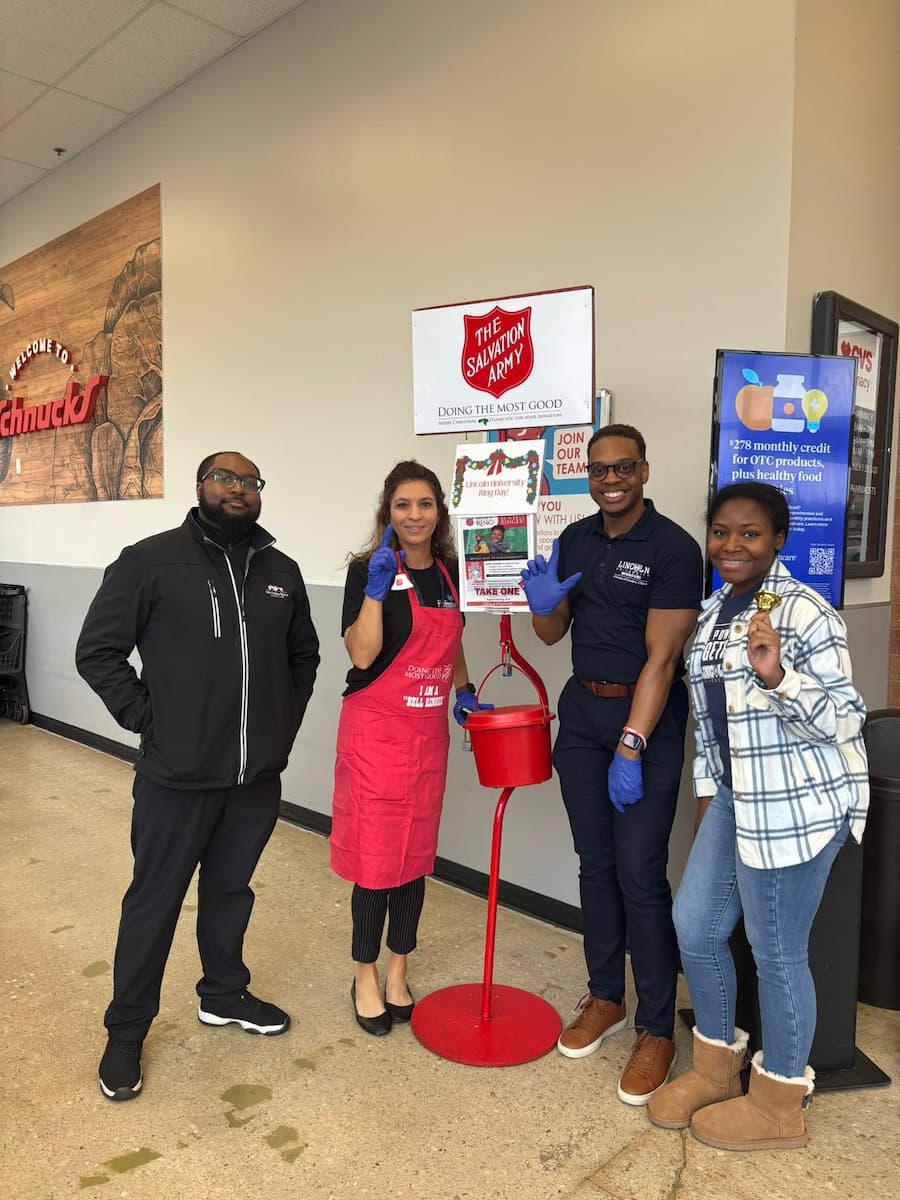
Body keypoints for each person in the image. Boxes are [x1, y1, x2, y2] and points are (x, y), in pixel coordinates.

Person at [75, 451, 319, 1101]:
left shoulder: (281, 571)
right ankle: (126, 1031)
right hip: (174, 779)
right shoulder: (150, 560)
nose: (238, 489)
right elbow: (96, 651)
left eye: (249, 481)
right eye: (225, 479)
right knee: (153, 903)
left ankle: (224, 993)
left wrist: (278, 731)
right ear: (200, 487)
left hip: (253, 782)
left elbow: (305, 657)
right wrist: (151, 721)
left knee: (231, 892)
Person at [647, 482, 868, 1149]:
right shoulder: (715, 613)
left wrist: (779, 678)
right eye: (721, 532)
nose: (732, 545)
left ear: (778, 540)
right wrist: (709, 799)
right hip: (739, 799)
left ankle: (778, 1104)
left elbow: (844, 717)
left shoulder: (805, 613)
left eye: (749, 533)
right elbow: (711, 729)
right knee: (696, 926)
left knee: (776, 951)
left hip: (798, 805)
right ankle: (717, 1069)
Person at [520, 423, 702, 1104]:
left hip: (644, 720)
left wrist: (632, 743)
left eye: (622, 467)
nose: (610, 479)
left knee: (640, 873)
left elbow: (662, 658)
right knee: (594, 864)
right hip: (582, 716)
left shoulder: (675, 548)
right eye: (598, 470)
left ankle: (657, 1029)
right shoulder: (576, 537)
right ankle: (605, 998)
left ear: (644, 472)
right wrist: (542, 606)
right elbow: (551, 631)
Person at [330, 460, 491, 1036]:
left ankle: (400, 969)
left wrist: (465, 690)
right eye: (403, 505)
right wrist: (375, 594)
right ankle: (365, 974)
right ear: (388, 513)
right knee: (377, 862)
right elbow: (362, 655)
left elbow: (453, 646)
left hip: (426, 737)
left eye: (424, 504)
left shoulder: (449, 575)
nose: (414, 515)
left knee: (415, 857)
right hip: (376, 732)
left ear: (438, 513)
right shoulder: (368, 570)